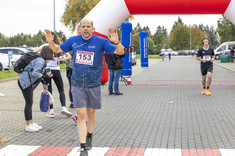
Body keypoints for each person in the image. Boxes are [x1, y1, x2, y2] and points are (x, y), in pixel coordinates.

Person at [43, 19, 124, 156]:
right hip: (77, 83)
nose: (86, 29)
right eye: (83, 27)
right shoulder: (73, 40)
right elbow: (57, 49)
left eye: (88, 27)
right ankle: (83, 147)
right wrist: (51, 40)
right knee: (81, 114)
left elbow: (120, 52)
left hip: (93, 84)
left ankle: (90, 135)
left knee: (91, 113)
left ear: (93, 28)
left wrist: (116, 41)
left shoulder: (100, 41)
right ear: (80, 29)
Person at [36, 32, 72, 118]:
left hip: (47, 70)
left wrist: (44, 59)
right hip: (56, 70)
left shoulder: (44, 45)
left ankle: (51, 111)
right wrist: (60, 59)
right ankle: (63, 107)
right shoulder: (58, 46)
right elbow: (69, 56)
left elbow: (34, 52)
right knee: (61, 90)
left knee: (49, 91)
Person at [18, 46, 53, 132]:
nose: (53, 55)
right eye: (52, 53)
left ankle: (31, 122)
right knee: (29, 103)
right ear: (48, 53)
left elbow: (37, 74)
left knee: (30, 103)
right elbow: (35, 73)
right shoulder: (40, 61)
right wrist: (44, 76)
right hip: (25, 82)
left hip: (27, 82)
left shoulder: (41, 60)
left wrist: (43, 82)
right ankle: (28, 125)